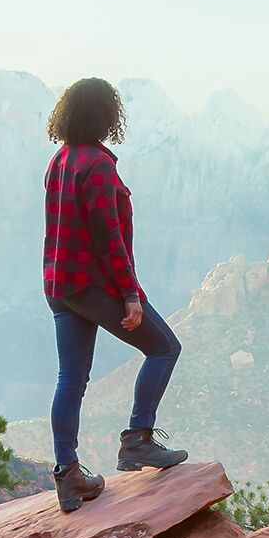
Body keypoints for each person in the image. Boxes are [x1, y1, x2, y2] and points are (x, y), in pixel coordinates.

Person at [42, 76, 188, 511]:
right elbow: (109, 239)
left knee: (71, 379)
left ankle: (68, 475)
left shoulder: (60, 160)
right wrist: (129, 294)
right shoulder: (98, 166)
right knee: (164, 348)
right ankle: (137, 441)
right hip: (93, 285)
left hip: (59, 285)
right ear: (106, 116)